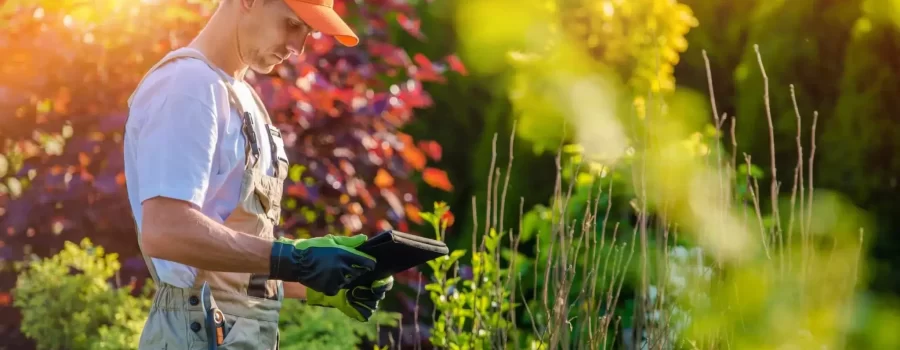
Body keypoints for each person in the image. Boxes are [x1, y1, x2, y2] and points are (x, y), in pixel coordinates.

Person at [123, 0, 392, 348]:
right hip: (195, 333)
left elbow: (231, 266)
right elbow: (166, 231)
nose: (298, 47)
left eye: (308, 33)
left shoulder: (245, 98)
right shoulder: (187, 86)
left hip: (236, 333)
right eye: (293, 24)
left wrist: (320, 281)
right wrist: (293, 260)